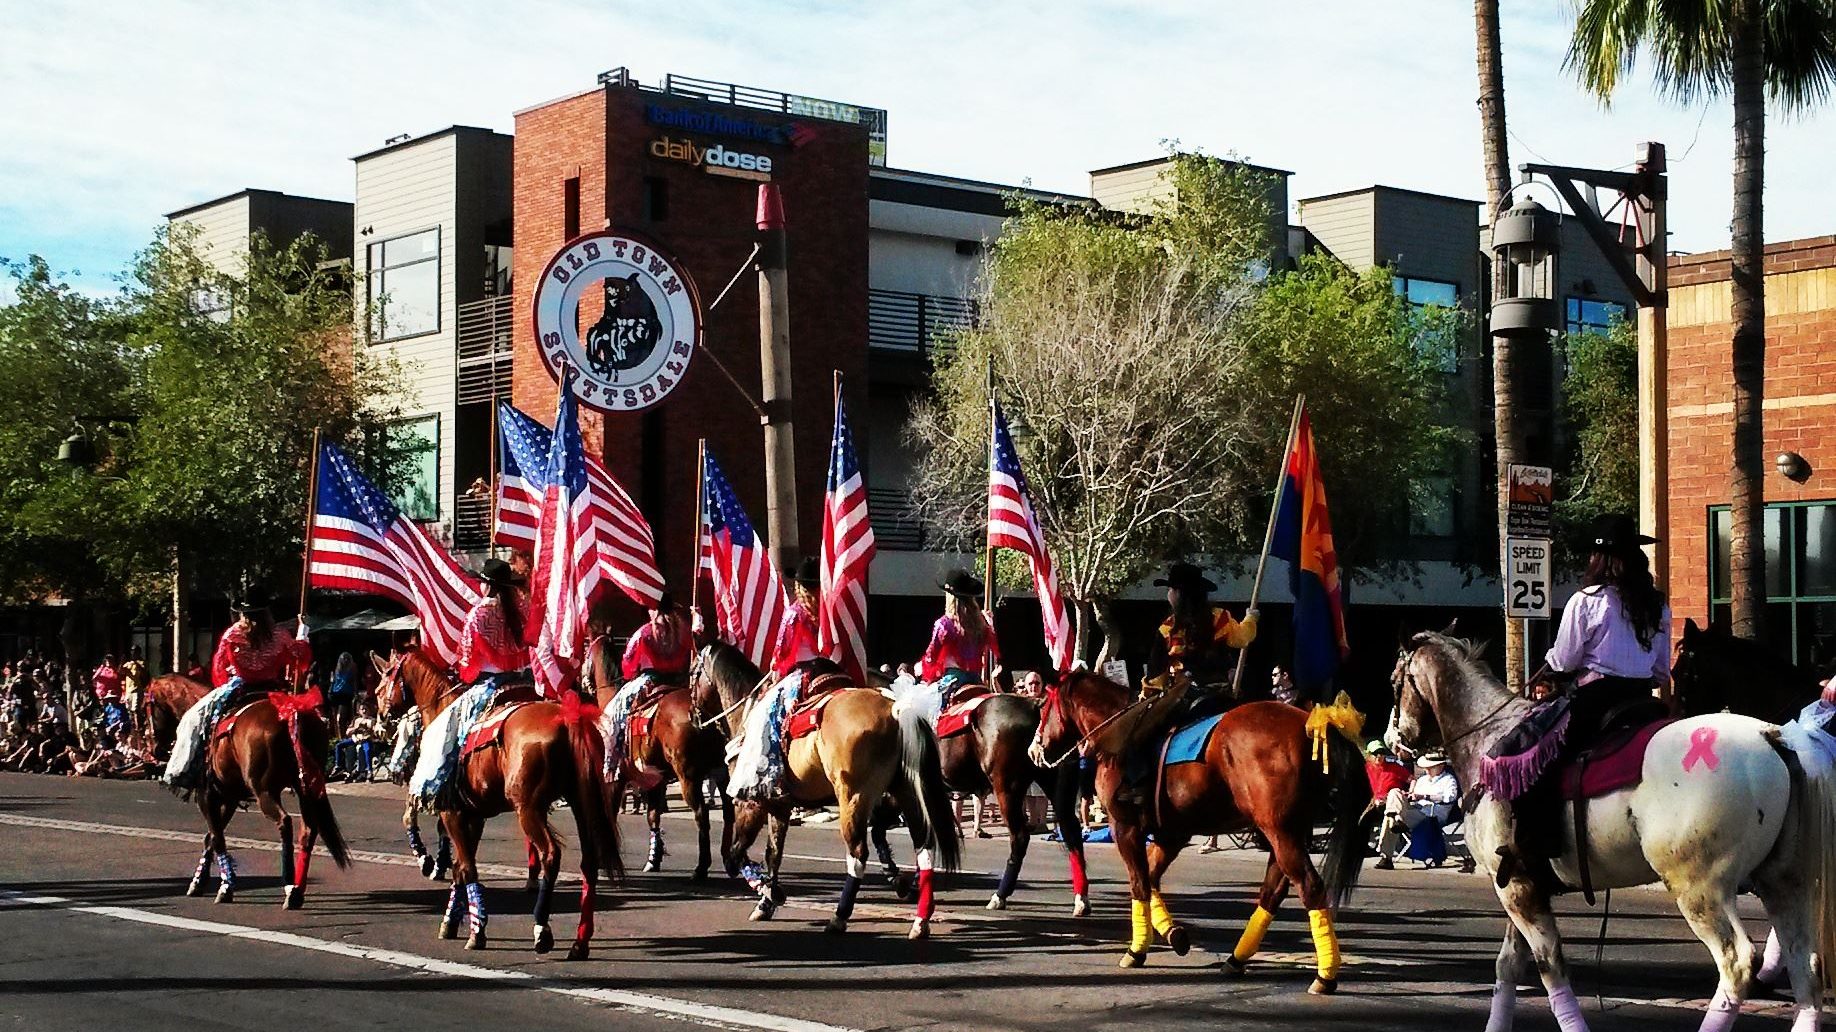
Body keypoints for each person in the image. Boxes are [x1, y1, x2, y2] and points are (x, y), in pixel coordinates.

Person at [411, 558, 533, 810]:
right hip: (524, 683)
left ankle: (437, 783)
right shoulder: (521, 609)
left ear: (487, 585)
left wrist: (466, 675)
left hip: (490, 685)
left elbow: (468, 659)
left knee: (444, 728)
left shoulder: (480, 612)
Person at [164, 587, 312, 794]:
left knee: (193, 718)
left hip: (241, 686)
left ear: (244, 612)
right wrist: (303, 631)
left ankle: (183, 771)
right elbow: (298, 653)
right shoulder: (280, 635)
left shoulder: (233, 633)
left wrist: (233, 673)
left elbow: (220, 665)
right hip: (272, 688)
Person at [731, 557, 825, 801]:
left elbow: (783, 652)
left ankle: (772, 775)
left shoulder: (795, 613)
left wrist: (774, 677)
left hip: (803, 674)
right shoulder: (832, 608)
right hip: (832, 669)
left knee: (765, 715)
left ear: (799, 586)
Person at [604, 593, 692, 776]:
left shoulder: (644, 632)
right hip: (681, 681)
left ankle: (613, 762)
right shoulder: (684, 631)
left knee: (613, 713)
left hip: (650, 680)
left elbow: (627, 663)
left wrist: (631, 673)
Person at [917, 571, 1001, 709]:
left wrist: (922, 667)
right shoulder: (982, 624)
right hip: (976, 680)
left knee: (923, 710)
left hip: (953, 681)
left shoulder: (944, 624)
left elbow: (931, 655)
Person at [1375, 752, 1464, 869]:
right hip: (1416, 809)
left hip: (1432, 814)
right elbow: (1414, 797)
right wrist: (1408, 795)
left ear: (1441, 766)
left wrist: (1425, 796)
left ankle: (1386, 857)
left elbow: (1450, 798)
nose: (1427, 769)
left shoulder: (1449, 780)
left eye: (1430, 767)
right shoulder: (1422, 780)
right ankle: (1397, 818)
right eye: (1426, 766)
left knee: (1389, 818)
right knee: (1395, 792)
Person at [326, 652, 359, 737]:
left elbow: (354, 682)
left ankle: (343, 737)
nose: (345, 660)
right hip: (334, 694)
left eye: (347, 658)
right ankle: (338, 737)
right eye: (343, 658)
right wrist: (330, 691)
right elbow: (332, 682)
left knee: (340, 718)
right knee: (334, 718)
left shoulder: (352, 670)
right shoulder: (336, 670)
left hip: (346, 695)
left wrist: (356, 693)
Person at [120, 648, 148, 731]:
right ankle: (132, 728)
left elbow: (144, 673)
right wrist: (122, 662)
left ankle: (138, 728)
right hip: (128, 691)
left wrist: (136, 664)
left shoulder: (142, 662)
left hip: (137, 690)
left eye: (135, 651)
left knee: (136, 710)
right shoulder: (128, 663)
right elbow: (120, 671)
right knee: (129, 711)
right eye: (132, 651)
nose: (133, 653)